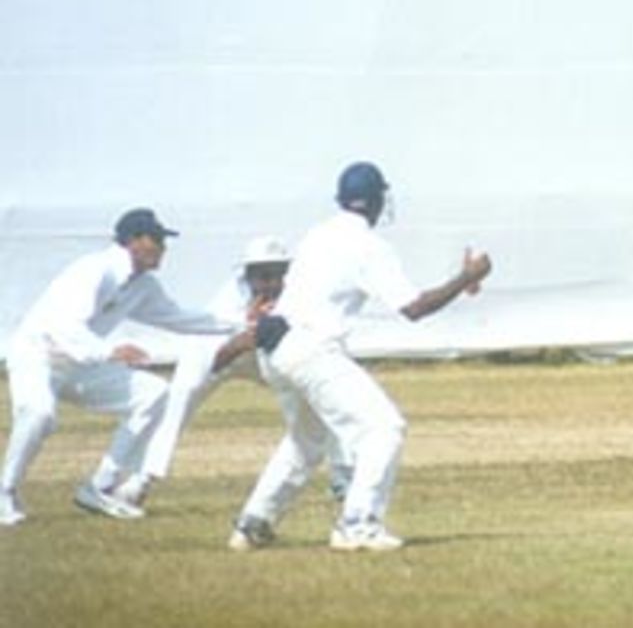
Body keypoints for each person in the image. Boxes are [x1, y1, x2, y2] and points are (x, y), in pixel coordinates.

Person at [227, 162, 492, 552]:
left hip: (275, 347)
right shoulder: (369, 245)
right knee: (384, 428)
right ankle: (358, 523)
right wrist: (466, 278)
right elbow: (413, 308)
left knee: (306, 442)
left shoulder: (318, 234)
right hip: (311, 348)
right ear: (378, 200)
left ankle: (254, 522)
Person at [0, 209, 235, 526]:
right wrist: (109, 350)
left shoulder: (144, 285)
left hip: (81, 362)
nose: (163, 248)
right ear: (133, 241)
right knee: (39, 414)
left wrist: (245, 325)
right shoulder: (94, 270)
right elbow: (63, 326)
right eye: (157, 240)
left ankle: (100, 487)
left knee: (154, 393)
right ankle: (5, 491)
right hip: (36, 354)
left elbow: (181, 319)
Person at [112, 236, 353, 510]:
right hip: (217, 349)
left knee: (323, 392)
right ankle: (140, 481)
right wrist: (243, 334)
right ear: (248, 275)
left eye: (279, 274)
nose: (273, 283)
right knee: (179, 399)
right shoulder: (226, 302)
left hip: (268, 352)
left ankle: (343, 476)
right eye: (264, 275)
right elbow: (220, 356)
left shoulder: (301, 293)